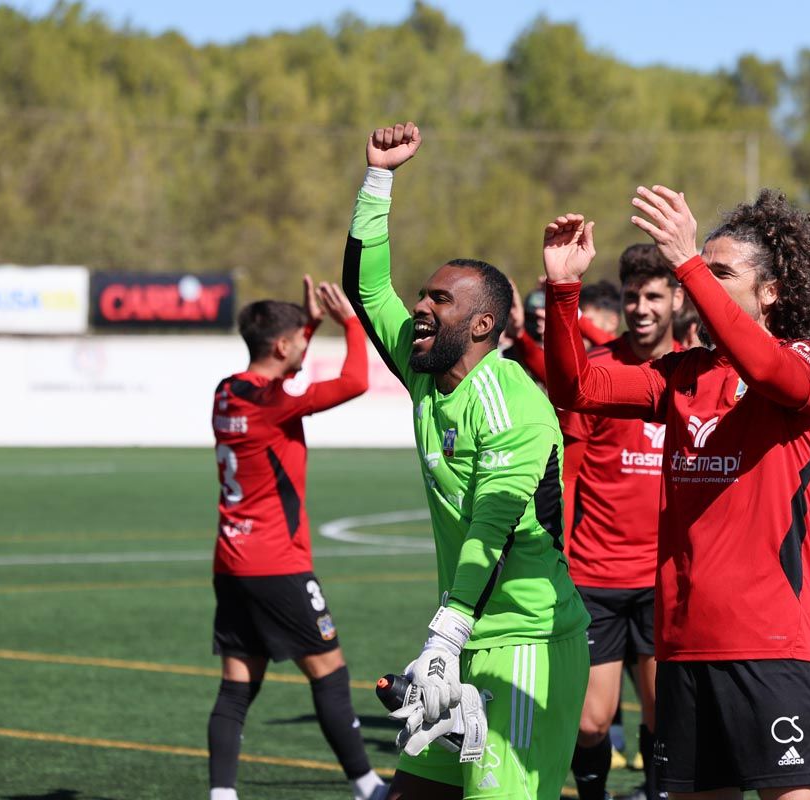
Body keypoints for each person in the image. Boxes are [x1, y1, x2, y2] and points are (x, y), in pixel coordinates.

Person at [544, 184, 810, 799]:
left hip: (770, 640)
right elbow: (574, 388)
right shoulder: (682, 374)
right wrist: (563, 290)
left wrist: (685, 260)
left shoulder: (808, 362)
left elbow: (764, 370)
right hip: (682, 642)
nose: (700, 278)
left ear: (771, 291)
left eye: (719, 270)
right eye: (701, 267)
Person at [341, 121, 590, 800]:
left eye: (438, 300)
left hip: (526, 646)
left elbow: (497, 526)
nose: (420, 307)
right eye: (422, 295)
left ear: (482, 325)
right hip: (464, 634)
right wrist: (379, 177)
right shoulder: (428, 371)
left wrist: (444, 638)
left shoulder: (511, 402)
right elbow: (366, 289)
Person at [208, 277, 384, 800]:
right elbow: (354, 382)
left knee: (238, 685)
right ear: (282, 347)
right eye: (302, 341)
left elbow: (278, 367)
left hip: (230, 562)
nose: (307, 346)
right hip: (277, 565)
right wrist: (350, 321)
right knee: (329, 673)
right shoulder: (275, 400)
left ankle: (222, 794)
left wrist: (306, 323)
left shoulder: (227, 391)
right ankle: (368, 785)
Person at [560, 243, 683, 800]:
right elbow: (568, 478)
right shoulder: (598, 374)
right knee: (590, 722)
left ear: (678, 299)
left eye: (654, 295)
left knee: (665, 716)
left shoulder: (693, 373)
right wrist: (560, 558)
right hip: (597, 575)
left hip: (666, 578)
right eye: (632, 295)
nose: (641, 307)